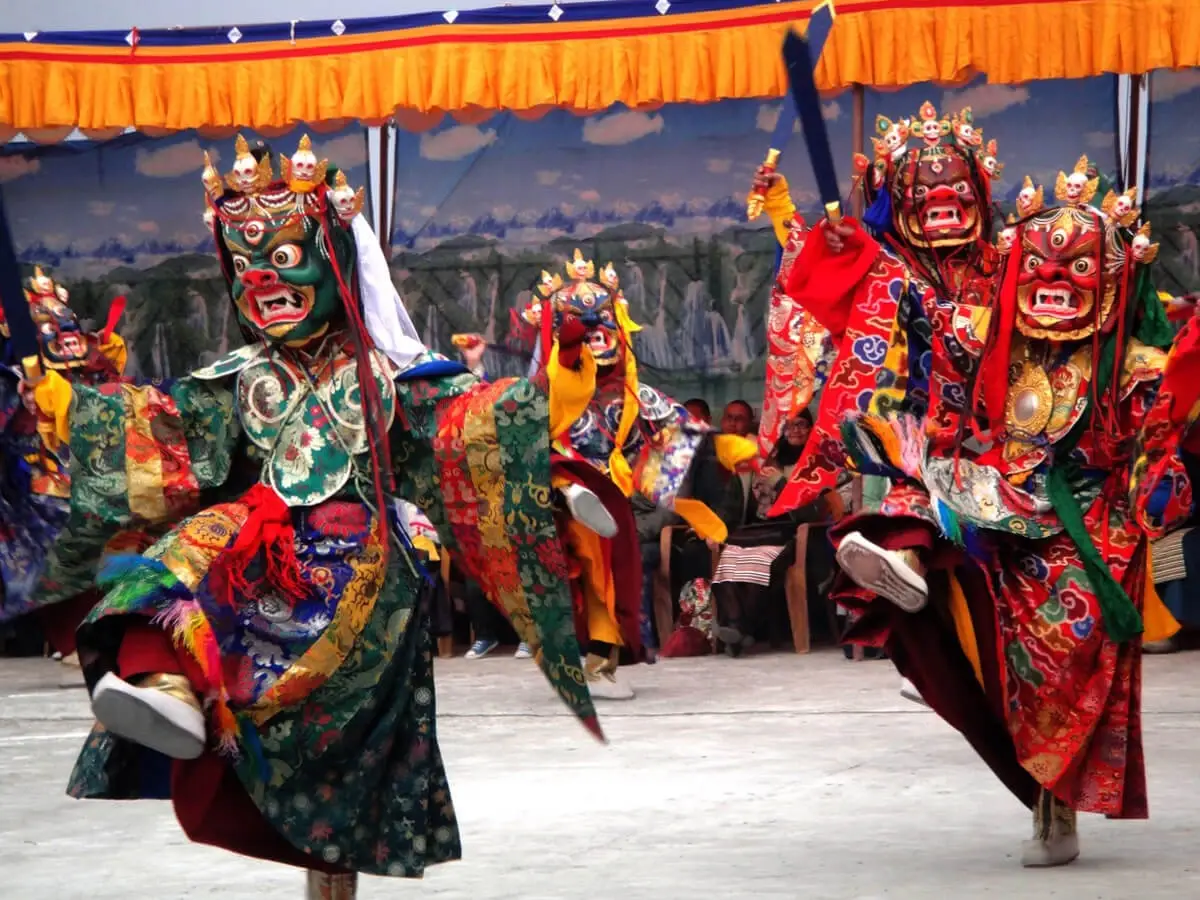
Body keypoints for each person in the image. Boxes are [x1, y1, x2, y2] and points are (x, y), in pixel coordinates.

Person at [37, 136, 608, 899]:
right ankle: (166, 690)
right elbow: (156, 435)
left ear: (335, 259)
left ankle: (329, 874)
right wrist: (49, 400)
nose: (262, 280)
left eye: (281, 256)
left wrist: (548, 443)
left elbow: (464, 425)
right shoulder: (236, 378)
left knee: (342, 761)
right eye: (243, 266)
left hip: (363, 563)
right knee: (172, 560)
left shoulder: (388, 376)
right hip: (255, 547)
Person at [792, 152, 1196, 868]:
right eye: (1038, 271)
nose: (1051, 287)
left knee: (1049, 678)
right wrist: (848, 249)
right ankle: (906, 561)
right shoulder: (986, 339)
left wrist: (1159, 475)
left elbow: (1157, 454)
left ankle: (1054, 810)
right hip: (998, 501)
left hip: (1086, 528)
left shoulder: (1134, 365)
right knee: (926, 474)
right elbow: (912, 322)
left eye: (1076, 273)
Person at [483, 253, 756, 699]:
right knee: (571, 569)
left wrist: (727, 448)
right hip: (550, 493)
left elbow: (680, 436)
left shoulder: (635, 395)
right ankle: (566, 492)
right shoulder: (545, 391)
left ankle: (601, 665)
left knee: (606, 581)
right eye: (581, 328)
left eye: (602, 324)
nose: (596, 336)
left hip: (611, 500)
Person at [0, 268, 128, 666]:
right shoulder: (15, 378)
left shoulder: (90, 369)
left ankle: (92, 636)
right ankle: (67, 638)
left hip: (87, 477)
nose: (64, 332)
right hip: (35, 485)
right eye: (50, 324)